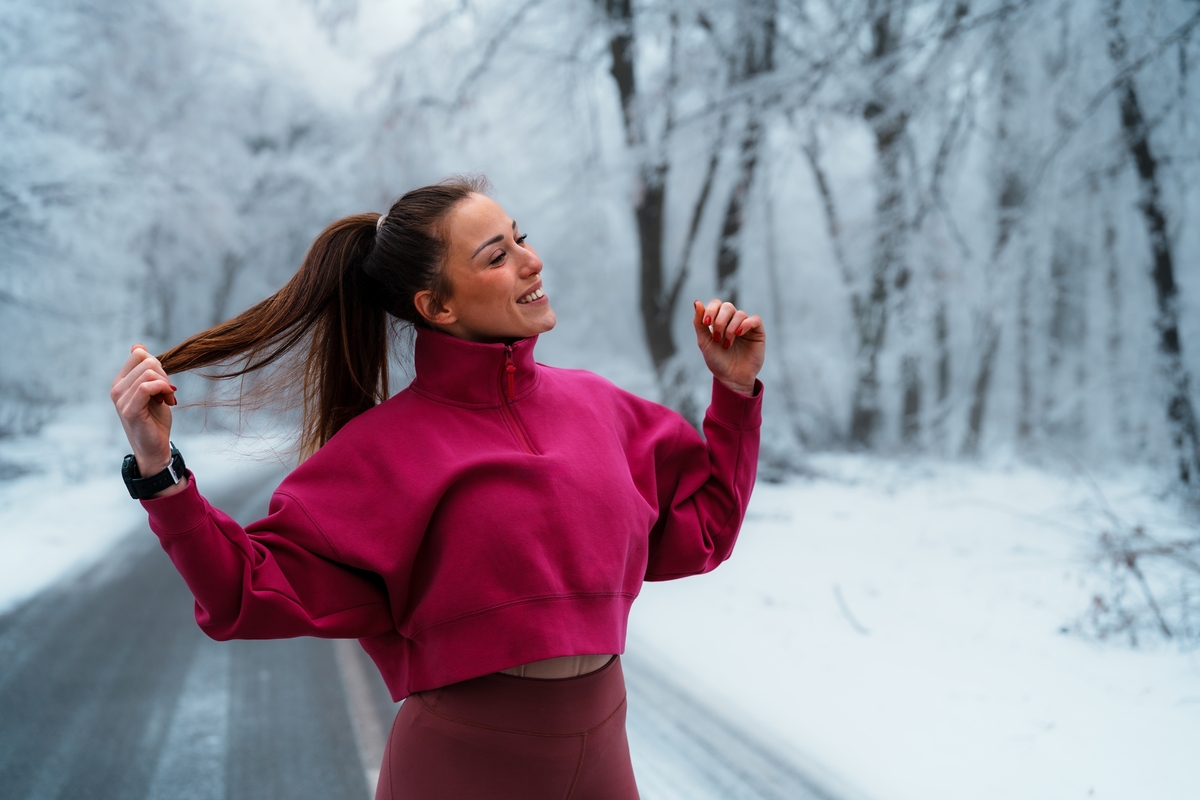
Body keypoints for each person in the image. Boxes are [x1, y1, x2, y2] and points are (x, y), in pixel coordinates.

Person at [110, 177, 765, 799]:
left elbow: (705, 532)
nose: (532, 261)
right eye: (497, 256)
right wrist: (160, 472)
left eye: (520, 237)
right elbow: (244, 592)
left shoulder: (604, 409)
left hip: (603, 761)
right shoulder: (381, 451)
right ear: (437, 306)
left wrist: (734, 393)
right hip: (460, 768)